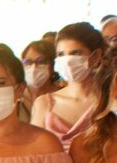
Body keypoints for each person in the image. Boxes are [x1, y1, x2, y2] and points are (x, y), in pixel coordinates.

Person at [30, 21, 106, 149]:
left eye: (76, 53)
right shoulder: (44, 104)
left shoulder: (108, 102)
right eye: (61, 54)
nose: (67, 60)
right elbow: (35, 154)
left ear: (95, 56)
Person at [21, 38, 62, 115]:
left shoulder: (63, 95)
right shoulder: (16, 97)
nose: (34, 67)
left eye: (41, 61)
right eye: (28, 62)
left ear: (53, 65)